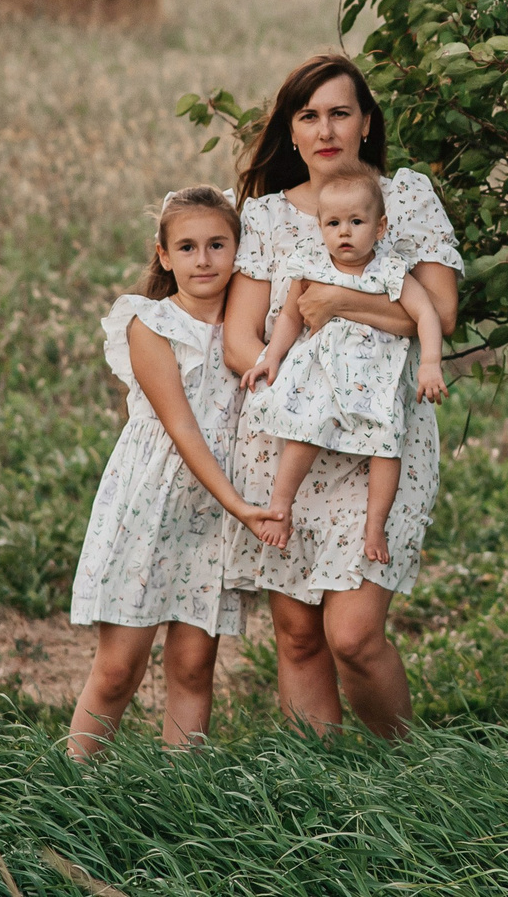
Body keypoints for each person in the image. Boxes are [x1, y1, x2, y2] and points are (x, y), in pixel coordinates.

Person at [223, 54, 462, 738]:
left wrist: (335, 301)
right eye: (308, 115)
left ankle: (409, 770)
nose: (325, 128)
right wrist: (295, 378)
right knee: (298, 636)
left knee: (353, 635)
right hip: (290, 435)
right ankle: (320, 803)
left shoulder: (405, 198)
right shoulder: (267, 217)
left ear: (365, 122)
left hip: (382, 434)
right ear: (291, 133)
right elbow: (242, 337)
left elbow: (436, 316)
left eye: (340, 111)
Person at [65, 186, 269, 754]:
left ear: (237, 251)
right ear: (164, 255)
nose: (203, 260)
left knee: (192, 666)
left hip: (216, 514)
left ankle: (182, 801)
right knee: (117, 669)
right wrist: (242, 505)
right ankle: (72, 789)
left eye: (216, 245)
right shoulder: (147, 322)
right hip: (150, 503)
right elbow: (180, 428)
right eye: (187, 247)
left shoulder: (248, 328)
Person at [239, 171, 448, 563]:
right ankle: (280, 510)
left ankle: (375, 529)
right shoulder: (312, 265)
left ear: (380, 227)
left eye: (356, 222)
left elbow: (427, 315)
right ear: (320, 228)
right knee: (305, 430)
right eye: (333, 223)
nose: (344, 233)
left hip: (377, 380)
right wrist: (271, 357)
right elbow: (290, 318)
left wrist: (431, 364)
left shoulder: (390, 270)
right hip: (322, 375)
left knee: (387, 446)